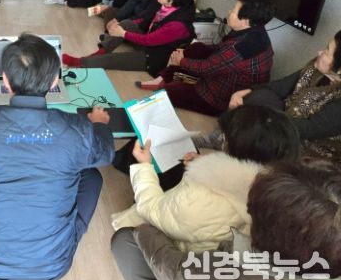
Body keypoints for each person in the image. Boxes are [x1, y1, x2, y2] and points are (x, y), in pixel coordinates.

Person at [0, 33, 114, 280]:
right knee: (92, 176)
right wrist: (99, 125)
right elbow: (106, 153)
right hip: (52, 268)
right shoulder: (77, 129)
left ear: (6, 81)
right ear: (54, 81)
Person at [109, 159, 341, 280]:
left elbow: (174, 270)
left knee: (125, 240)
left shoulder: (229, 272)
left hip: (194, 275)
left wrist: (145, 230)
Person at [110, 105, 300, 254]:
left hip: (177, 252)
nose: (222, 142)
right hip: (203, 234)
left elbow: (152, 210)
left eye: (225, 139)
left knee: (126, 235)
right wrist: (204, 163)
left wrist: (144, 167)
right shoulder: (280, 190)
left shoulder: (201, 199)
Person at [227, 29, 341, 165]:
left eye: (327, 51)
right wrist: (248, 91)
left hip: (310, 146)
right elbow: (281, 85)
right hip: (286, 119)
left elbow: (308, 129)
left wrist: (265, 122)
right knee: (258, 97)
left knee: (257, 131)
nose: (319, 52)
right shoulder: (315, 68)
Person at [139, 0, 275, 116]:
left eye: (233, 10)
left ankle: (163, 86)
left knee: (169, 91)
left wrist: (181, 61)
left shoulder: (243, 47)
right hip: (223, 74)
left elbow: (208, 68)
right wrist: (186, 55)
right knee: (196, 48)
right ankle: (161, 78)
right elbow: (220, 50)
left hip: (219, 98)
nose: (229, 12)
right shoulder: (254, 31)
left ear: (246, 20)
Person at [63, 0, 196, 76]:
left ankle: (81, 62)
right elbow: (146, 19)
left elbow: (149, 40)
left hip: (154, 59)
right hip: (150, 44)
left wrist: (122, 33)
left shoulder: (177, 26)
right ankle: (100, 52)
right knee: (127, 23)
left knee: (111, 60)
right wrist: (123, 26)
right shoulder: (168, 8)